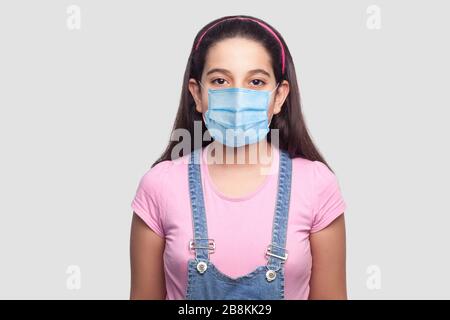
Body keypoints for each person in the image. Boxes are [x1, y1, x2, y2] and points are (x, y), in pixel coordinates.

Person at [129, 15, 347, 300]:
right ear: (197, 94)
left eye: (256, 82)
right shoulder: (159, 186)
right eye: (220, 80)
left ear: (279, 96)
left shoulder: (317, 185)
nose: (238, 97)